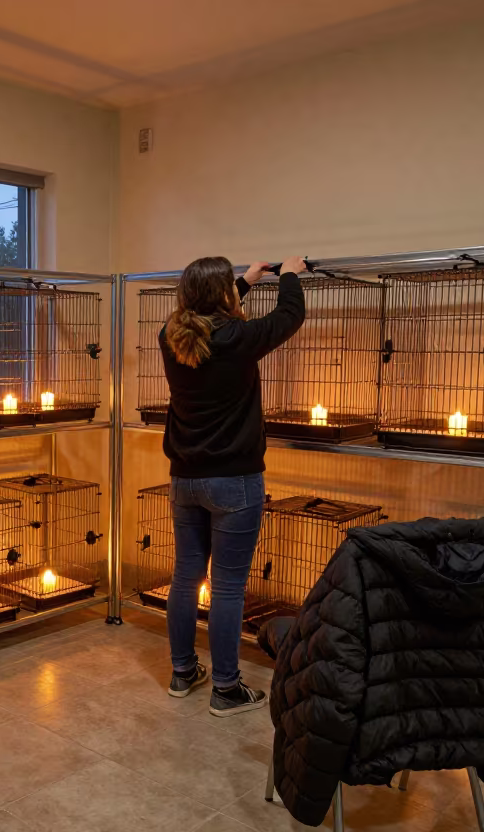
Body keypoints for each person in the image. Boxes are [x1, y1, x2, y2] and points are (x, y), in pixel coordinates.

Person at [159, 255, 306, 716]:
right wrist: (290, 275)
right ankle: (226, 688)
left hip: (185, 480)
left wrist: (243, 281)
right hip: (234, 483)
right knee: (227, 587)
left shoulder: (170, 336)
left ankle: (183, 672)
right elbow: (289, 317)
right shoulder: (237, 339)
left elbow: (206, 316)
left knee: (186, 578)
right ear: (222, 295)